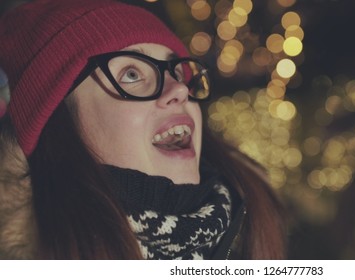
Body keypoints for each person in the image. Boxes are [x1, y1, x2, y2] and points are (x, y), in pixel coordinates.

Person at [0, 0, 286, 259]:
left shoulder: (252, 245)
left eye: (176, 72)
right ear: (61, 125)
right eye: (132, 74)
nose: (179, 89)